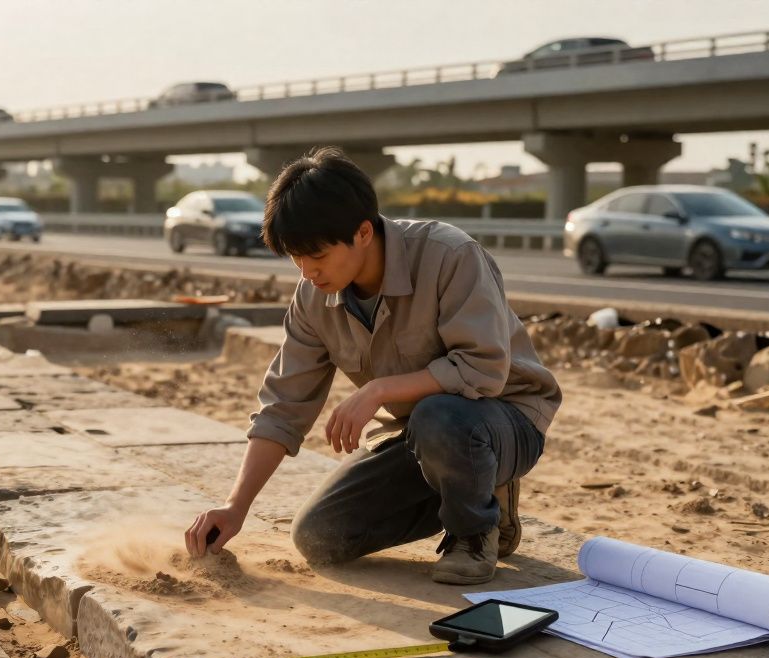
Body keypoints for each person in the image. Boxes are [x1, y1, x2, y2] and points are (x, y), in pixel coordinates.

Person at [184, 147, 561, 585]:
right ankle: (478, 490)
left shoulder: (449, 255)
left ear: (363, 232)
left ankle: (474, 533)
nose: (307, 272)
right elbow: (283, 407)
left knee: (439, 415)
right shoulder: (312, 297)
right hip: (417, 437)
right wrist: (235, 507)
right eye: (296, 258)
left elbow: (483, 370)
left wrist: (379, 389)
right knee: (319, 537)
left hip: (504, 421)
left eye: (317, 256)